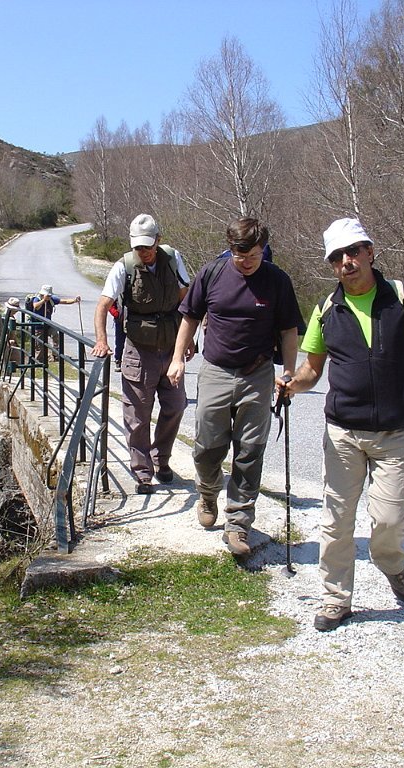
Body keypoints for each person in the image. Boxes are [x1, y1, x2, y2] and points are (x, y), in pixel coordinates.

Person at [285, 217, 404, 632]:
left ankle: (391, 564)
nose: (346, 261)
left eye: (353, 251)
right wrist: (291, 384)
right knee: (336, 521)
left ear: (370, 252)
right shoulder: (326, 309)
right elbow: (312, 370)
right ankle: (336, 600)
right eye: (337, 257)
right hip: (343, 434)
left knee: (389, 521)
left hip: (394, 433)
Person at [167, 217, 303, 556]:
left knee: (250, 450)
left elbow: (289, 330)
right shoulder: (212, 273)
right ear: (230, 249)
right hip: (215, 370)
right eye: (241, 255)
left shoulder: (277, 281)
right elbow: (190, 316)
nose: (247, 262)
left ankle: (239, 523)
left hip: (257, 374)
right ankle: (208, 493)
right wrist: (177, 358)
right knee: (207, 446)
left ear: (263, 250)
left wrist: (289, 372)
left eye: (254, 255)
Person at [93, 213, 193, 494]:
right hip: (139, 351)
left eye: (148, 246)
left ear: (158, 240)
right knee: (137, 416)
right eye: (138, 247)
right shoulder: (123, 267)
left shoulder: (173, 259)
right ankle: (142, 472)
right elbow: (103, 305)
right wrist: (102, 340)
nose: (144, 252)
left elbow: (187, 300)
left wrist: (188, 340)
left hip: (171, 349)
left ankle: (162, 460)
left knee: (175, 406)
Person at [30, 285, 80, 362]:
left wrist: (74, 300)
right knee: (40, 345)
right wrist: (44, 300)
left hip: (48, 324)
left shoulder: (52, 299)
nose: (49, 297)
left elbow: (64, 301)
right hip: (38, 326)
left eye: (49, 295)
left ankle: (56, 355)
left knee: (56, 336)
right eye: (47, 295)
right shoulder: (36, 299)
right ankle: (39, 360)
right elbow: (35, 306)